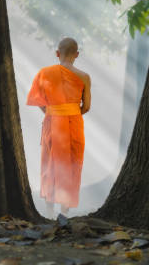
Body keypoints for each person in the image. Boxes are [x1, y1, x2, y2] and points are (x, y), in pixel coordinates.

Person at [26, 37, 91, 217]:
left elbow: (37, 100)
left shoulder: (44, 73)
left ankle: (48, 210)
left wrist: (53, 112)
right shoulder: (84, 77)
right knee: (72, 162)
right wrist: (70, 112)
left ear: (57, 53)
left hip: (52, 120)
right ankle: (64, 210)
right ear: (77, 55)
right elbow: (86, 106)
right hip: (74, 123)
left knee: (50, 163)